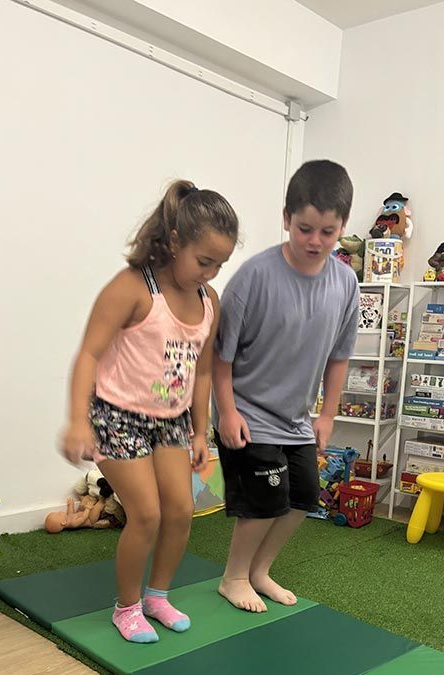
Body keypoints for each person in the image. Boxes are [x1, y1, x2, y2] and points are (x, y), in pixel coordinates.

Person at [62, 180, 238, 643]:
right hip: (116, 415)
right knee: (146, 514)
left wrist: (202, 432)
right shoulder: (133, 288)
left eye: (220, 264)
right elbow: (88, 354)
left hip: (172, 420)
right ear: (175, 240)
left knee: (180, 510)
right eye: (204, 262)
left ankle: (157, 596)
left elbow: (200, 373)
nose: (211, 273)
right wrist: (78, 419)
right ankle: (126, 607)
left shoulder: (208, 301)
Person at [212, 160, 359, 612]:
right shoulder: (254, 277)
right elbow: (220, 358)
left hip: (295, 417)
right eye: (304, 228)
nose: (315, 241)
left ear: (342, 228)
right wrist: (228, 412)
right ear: (286, 219)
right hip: (248, 412)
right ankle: (234, 576)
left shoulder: (346, 283)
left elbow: (339, 356)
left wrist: (328, 413)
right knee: (264, 501)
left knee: (302, 498)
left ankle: (260, 571)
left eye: (327, 232)